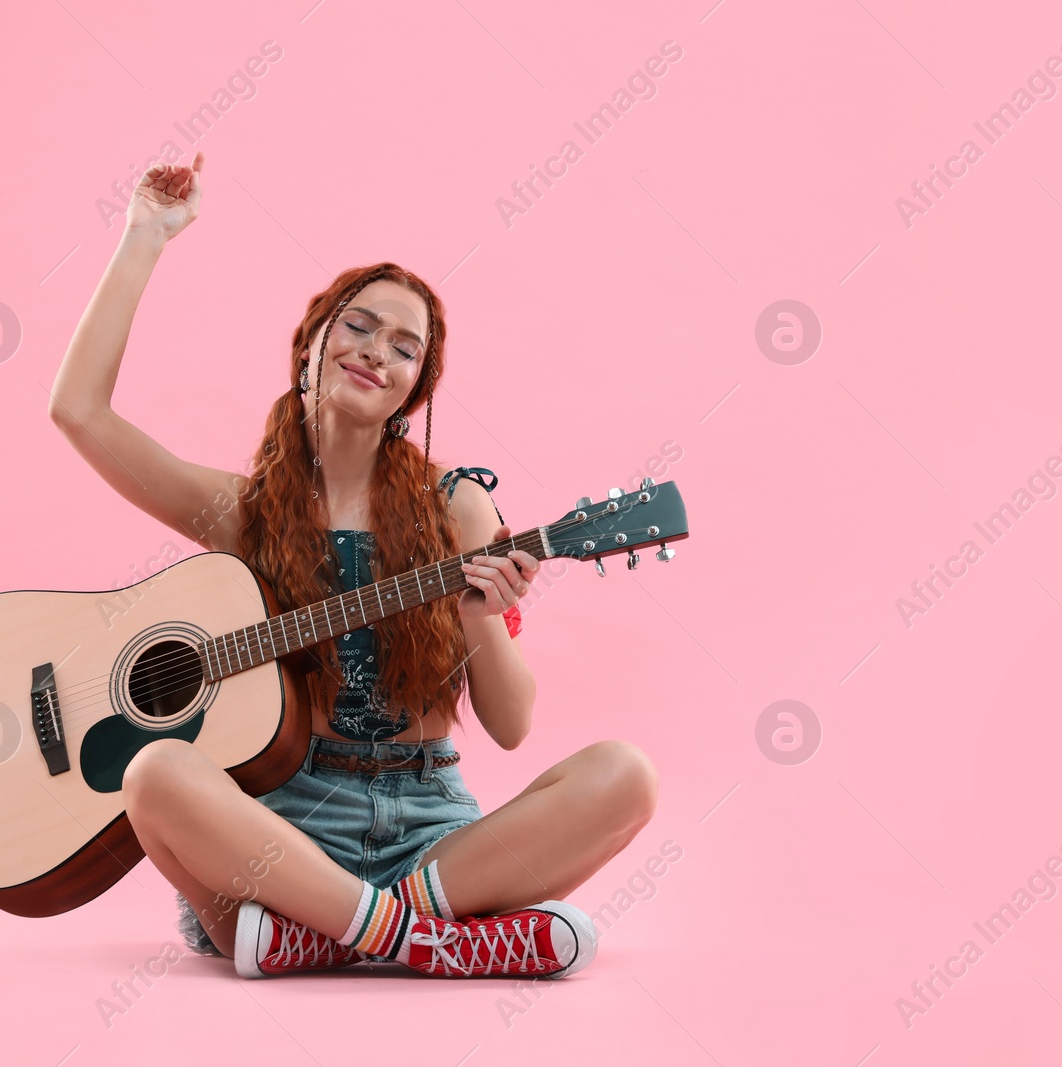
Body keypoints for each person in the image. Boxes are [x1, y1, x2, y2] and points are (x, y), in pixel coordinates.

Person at [49, 151, 658, 978]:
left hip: (433, 829)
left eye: (405, 347)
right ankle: (425, 941)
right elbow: (78, 411)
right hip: (285, 830)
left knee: (624, 776)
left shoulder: (458, 507)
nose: (377, 351)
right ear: (314, 338)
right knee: (154, 768)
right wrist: (145, 237)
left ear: (414, 389)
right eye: (361, 325)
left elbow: (511, 726)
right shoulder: (242, 512)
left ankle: (335, 932)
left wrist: (485, 620)